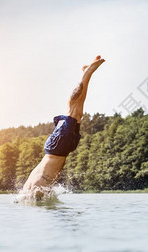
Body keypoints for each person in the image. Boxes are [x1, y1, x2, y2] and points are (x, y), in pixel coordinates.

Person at [21, 55, 105, 198]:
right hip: (58, 149)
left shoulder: (35, 190)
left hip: (58, 148)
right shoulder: (28, 189)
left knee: (73, 109)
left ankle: (87, 73)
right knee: (77, 113)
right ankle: (86, 74)